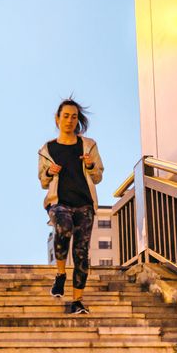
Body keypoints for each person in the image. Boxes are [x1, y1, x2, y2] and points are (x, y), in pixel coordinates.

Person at [38, 97, 104, 314]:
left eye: (73, 117)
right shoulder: (47, 149)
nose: (69, 120)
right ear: (57, 119)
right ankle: (60, 274)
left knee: (81, 253)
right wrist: (49, 172)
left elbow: (98, 176)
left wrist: (90, 164)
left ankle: (77, 300)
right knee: (63, 227)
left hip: (84, 204)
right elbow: (43, 181)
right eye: (65, 116)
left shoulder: (88, 145)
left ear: (78, 120)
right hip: (59, 202)